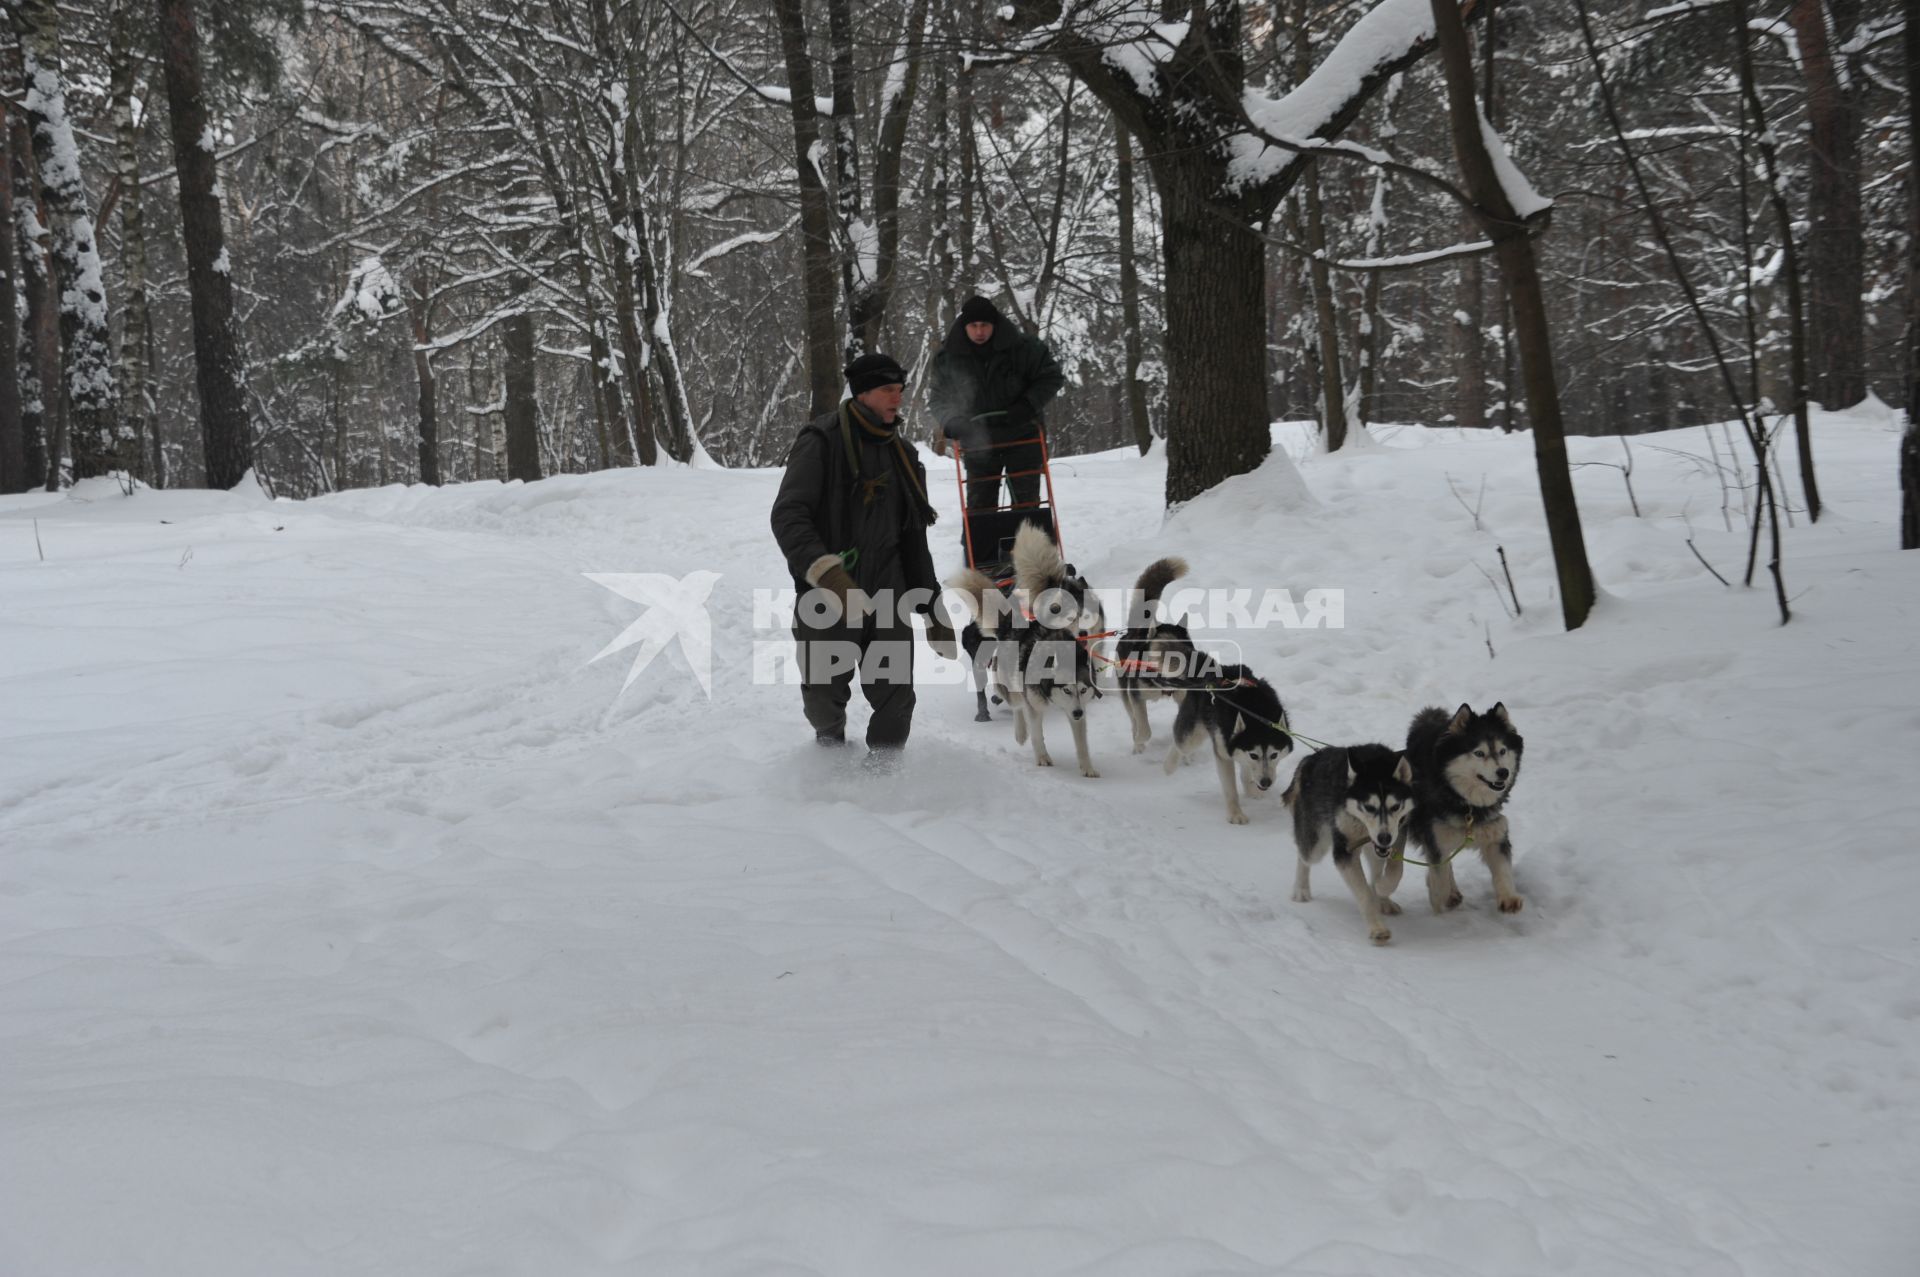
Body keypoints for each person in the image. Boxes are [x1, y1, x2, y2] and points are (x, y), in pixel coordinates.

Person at [771, 352, 959, 757]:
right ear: (863, 392)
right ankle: (829, 758)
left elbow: (913, 541)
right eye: (888, 390)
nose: (898, 398)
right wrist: (828, 574)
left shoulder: (905, 457)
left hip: (887, 592)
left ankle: (885, 777)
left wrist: (932, 608)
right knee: (822, 696)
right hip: (826, 595)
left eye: (901, 390)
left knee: (896, 698)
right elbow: (788, 516)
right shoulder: (821, 441)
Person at [927, 295, 1066, 517]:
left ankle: (1028, 550)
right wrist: (951, 420)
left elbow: (1051, 377)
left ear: (995, 324)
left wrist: (1027, 405)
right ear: (965, 326)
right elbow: (938, 397)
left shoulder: (1024, 348)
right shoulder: (948, 357)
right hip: (977, 441)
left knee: (1026, 507)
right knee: (980, 510)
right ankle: (983, 551)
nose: (979, 331)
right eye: (974, 326)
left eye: (985, 325)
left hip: (1022, 435)